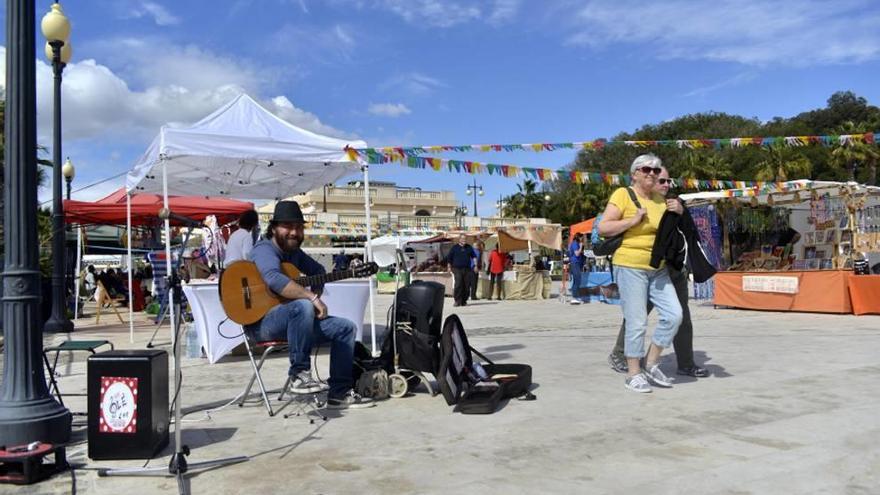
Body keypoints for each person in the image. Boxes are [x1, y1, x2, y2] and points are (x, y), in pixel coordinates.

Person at [246, 201, 374, 409]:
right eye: (288, 226)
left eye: (298, 227)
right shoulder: (264, 249)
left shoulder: (294, 254)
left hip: (293, 324)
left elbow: (319, 273)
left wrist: (316, 290)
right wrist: (312, 299)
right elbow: (273, 279)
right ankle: (299, 374)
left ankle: (339, 394)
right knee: (303, 305)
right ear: (274, 228)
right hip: (261, 324)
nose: (294, 232)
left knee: (346, 328)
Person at [607, 167, 709, 378]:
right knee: (636, 317)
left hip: (672, 269)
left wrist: (681, 213)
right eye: (661, 181)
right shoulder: (641, 201)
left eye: (668, 181)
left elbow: (691, 233)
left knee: (681, 317)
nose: (666, 185)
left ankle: (686, 363)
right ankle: (619, 355)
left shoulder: (674, 202)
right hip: (644, 268)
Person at [598, 154, 683, 393]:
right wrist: (632, 221)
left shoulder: (660, 199)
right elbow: (604, 228)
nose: (653, 174)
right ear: (635, 173)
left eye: (656, 171)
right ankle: (633, 373)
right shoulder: (622, 195)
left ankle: (652, 363)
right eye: (647, 169)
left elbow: (672, 231)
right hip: (630, 266)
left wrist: (680, 212)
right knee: (637, 322)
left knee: (674, 315)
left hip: (658, 268)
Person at [446, 234, 477, 307]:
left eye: (465, 239)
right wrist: (449, 267)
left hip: (467, 268)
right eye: (462, 239)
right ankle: (457, 301)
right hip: (456, 268)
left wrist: (475, 265)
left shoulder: (469, 247)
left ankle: (463, 301)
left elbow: (474, 257)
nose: (464, 240)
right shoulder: (455, 247)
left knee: (466, 285)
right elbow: (449, 258)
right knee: (459, 283)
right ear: (459, 239)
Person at [568, 233, 586, 304]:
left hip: (577, 263)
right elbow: (577, 254)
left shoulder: (576, 243)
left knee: (577, 280)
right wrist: (581, 247)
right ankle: (574, 297)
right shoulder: (575, 243)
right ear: (578, 237)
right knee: (577, 280)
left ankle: (576, 296)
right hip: (575, 263)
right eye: (581, 237)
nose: (582, 239)